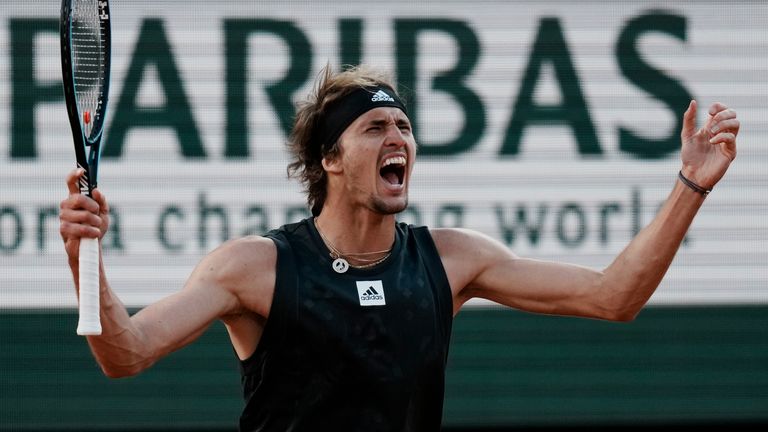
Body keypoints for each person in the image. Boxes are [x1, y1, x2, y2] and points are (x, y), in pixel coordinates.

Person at [59, 64, 740, 431]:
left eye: (406, 127)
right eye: (376, 127)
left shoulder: (450, 259)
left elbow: (613, 296)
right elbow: (127, 353)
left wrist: (690, 185)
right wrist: (82, 256)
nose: (399, 139)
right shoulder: (254, 267)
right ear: (330, 159)